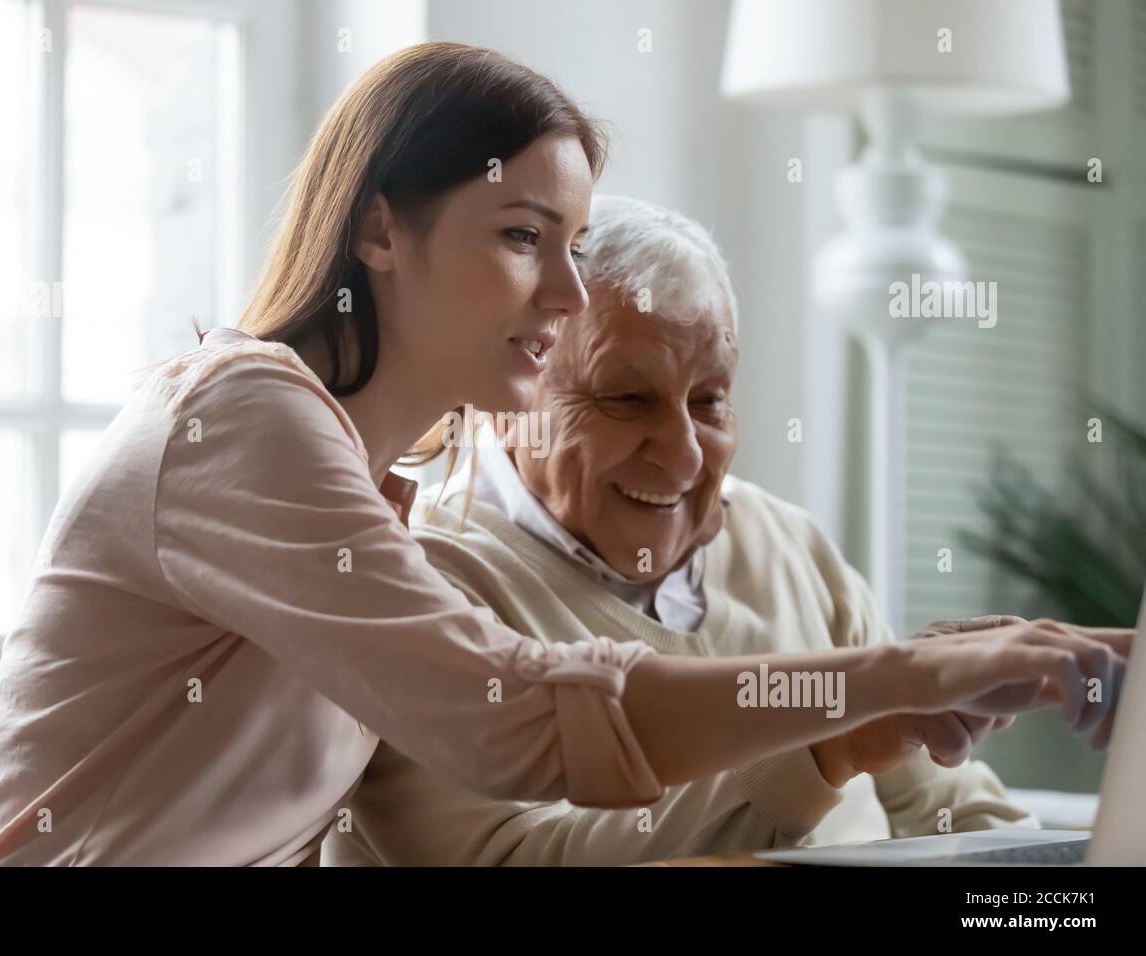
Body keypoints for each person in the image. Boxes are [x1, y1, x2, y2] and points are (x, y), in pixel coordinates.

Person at [0, 44, 1130, 867]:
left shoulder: (365, 486)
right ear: (376, 229)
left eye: (570, 245)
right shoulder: (243, 416)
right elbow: (511, 710)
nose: (564, 293)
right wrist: (883, 680)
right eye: (522, 238)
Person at [326, 196, 1087, 866]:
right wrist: (829, 745)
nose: (686, 454)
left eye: (710, 399)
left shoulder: (785, 542)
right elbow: (515, 859)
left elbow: (960, 815)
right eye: (628, 399)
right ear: (509, 398)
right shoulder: (421, 586)